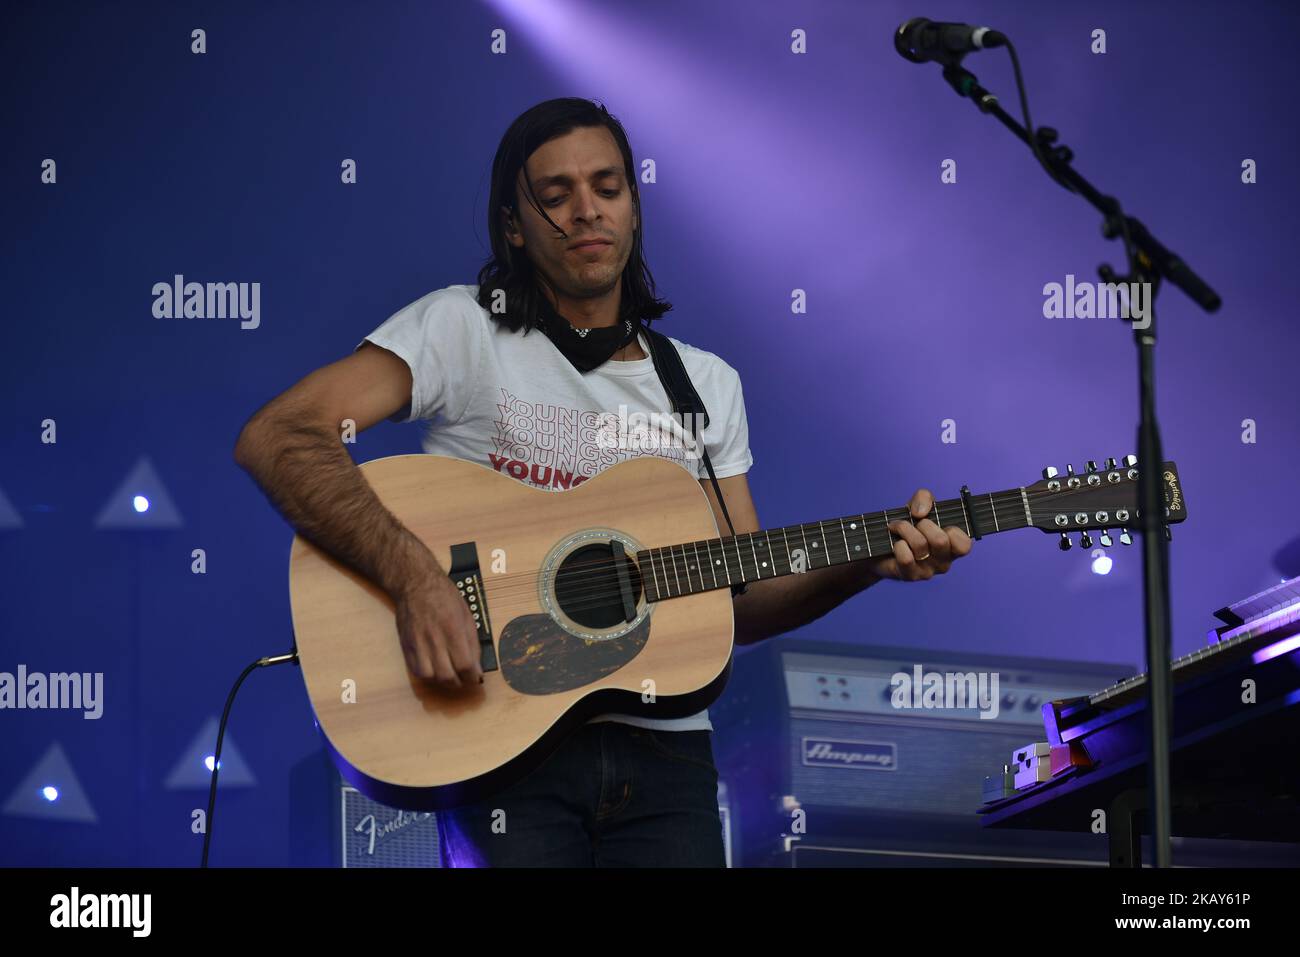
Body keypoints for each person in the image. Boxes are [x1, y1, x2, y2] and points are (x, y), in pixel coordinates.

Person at [233, 97, 973, 867]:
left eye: (607, 187)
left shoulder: (704, 385)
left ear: (634, 205)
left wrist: (870, 562)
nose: (586, 210)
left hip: (669, 760)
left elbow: (741, 599)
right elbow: (279, 435)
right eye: (555, 197)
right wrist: (415, 578)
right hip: (499, 740)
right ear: (513, 225)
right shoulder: (461, 329)